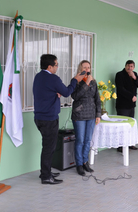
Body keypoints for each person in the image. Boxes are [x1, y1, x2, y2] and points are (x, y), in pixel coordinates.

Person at [33, 54, 84, 184]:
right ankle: (46, 176)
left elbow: (46, 93)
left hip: (39, 118)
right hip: (49, 119)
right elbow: (67, 92)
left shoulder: (38, 77)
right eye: (56, 65)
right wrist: (75, 80)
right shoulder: (53, 79)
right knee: (49, 147)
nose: (57, 67)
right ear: (50, 66)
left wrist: (55, 93)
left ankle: (46, 171)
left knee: (47, 146)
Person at [71, 60, 101, 176]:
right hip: (79, 115)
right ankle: (78, 164)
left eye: (88, 67)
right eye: (85, 67)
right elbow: (75, 96)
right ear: (80, 69)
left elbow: (97, 99)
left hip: (91, 115)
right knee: (80, 140)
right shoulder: (76, 81)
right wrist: (86, 83)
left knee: (88, 140)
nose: (87, 70)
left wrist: (98, 114)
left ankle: (85, 162)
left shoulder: (94, 82)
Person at [115, 60, 138, 152]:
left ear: (133, 67)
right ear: (125, 66)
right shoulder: (119, 74)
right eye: (128, 66)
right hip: (123, 105)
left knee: (130, 125)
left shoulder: (135, 74)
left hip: (131, 105)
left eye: (131, 66)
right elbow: (121, 89)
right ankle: (120, 146)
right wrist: (131, 96)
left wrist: (135, 78)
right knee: (122, 126)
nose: (130, 68)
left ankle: (129, 144)